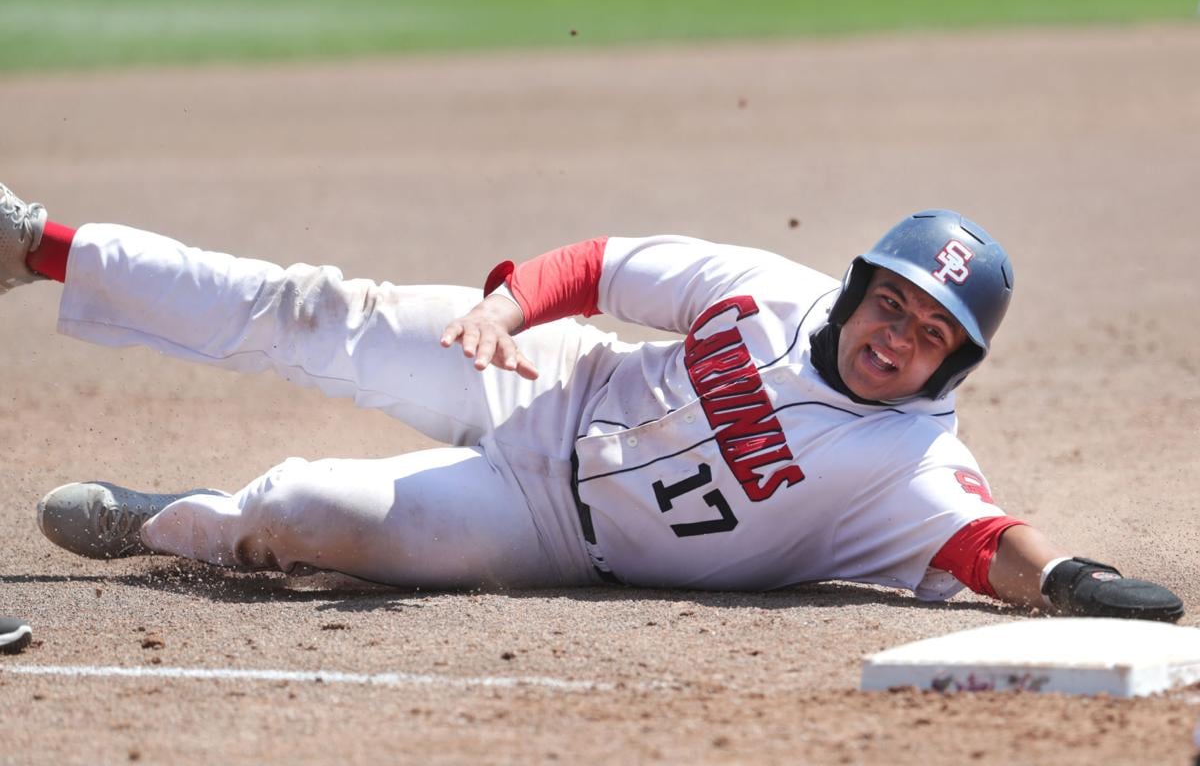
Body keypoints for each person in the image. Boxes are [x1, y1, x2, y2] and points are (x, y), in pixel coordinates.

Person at [0, 181, 1183, 621]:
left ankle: (162, 519)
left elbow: (985, 541)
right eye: (897, 303)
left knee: (303, 505)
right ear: (861, 284)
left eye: (935, 335)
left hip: (547, 532)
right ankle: (38, 243)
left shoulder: (908, 462)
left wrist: (1072, 581)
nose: (901, 338)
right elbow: (604, 266)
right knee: (309, 309)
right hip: (547, 381)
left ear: (953, 365)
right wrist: (507, 312)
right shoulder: (764, 290)